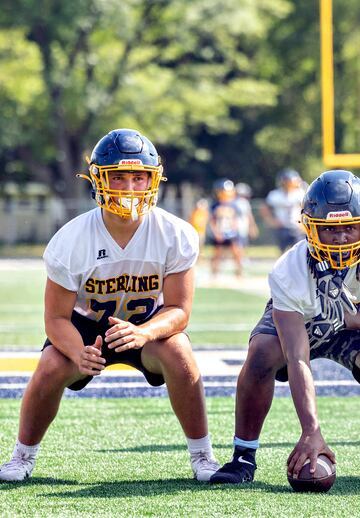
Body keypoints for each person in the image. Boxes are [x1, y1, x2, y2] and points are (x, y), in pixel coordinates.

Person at [0, 129, 219, 482]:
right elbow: (56, 318)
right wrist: (77, 351)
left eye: (138, 177)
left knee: (179, 351)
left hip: (146, 324)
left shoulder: (174, 233)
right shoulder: (71, 240)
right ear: (98, 180)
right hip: (84, 326)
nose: (129, 187)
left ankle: (203, 456)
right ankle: (21, 456)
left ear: (154, 180)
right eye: (118, 177)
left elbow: (179, 309)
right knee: (52, 363)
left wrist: (143, 332)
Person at [210, 170, 360, 486]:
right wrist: (311, 430)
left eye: (350, 227)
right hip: (301, 320)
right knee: (261, 353)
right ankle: (243, 457)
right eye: (330, 229)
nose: (341, 237)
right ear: (310, 227)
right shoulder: (289, 270)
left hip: (352, 319)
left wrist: (351, 319)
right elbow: (298, 358)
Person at [261, 168, 306, 253]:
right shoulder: (275, 195)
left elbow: (307, 209)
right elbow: (264, 208)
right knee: (283, 252)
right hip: (282, 227)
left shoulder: (300, 193)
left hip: (297, 227)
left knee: (299, 250)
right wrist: (271, 221)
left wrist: (303, 223)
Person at [209, 178, 244, 278]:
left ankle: (239, 272)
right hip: (220, 231)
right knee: (217, 253)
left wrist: (235, 229)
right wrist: (216, 232)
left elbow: (235, 220)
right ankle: (214, 272)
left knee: (237, 252)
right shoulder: (215, 205)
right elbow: (212, 220)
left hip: (231, 232)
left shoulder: (234, 204)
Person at [234, 182, 259, 248]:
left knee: (240, 245)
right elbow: (249, 216)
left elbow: (248, 216)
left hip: (240, 227)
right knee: (239, 245)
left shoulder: (240, 202)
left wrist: (252, 226)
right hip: (238, 227)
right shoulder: (242, 202)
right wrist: (253, 226)